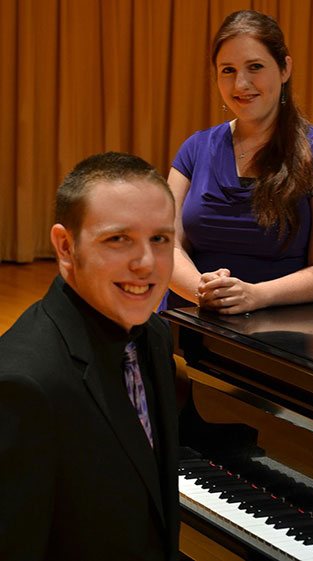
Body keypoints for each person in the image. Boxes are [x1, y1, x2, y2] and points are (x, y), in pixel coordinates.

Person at [0, 152, 179, 561]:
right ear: (66, 246)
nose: (146, 263)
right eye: (119, 239)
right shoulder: (21, 384)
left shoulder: (153, 335)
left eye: (160, 239)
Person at [159, 9, 313, 315]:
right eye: (228, 70)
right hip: (188, 319)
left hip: (278, 330)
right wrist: (203, 291)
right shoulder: (194, 148)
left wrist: (254, 295)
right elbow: (165, 244)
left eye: (255, 67)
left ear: (285, 68)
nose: (241, 84)